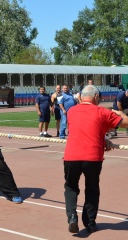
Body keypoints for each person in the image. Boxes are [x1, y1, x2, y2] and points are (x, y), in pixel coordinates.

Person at [63, 85, 128, 234]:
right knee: (92, 188)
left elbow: (86, 126)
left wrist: (103, 138)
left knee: (71, 187)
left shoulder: (72, 111)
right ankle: (90, 223)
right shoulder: (103, 112)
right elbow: (125, 122)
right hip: (93, 157)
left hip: (72, 156)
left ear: (80, 97)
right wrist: (118, 112)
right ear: (96, 97)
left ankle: (72, 217)